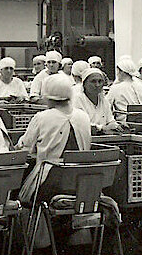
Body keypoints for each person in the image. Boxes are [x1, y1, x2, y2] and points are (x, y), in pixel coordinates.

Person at [16, 73, 92, 205]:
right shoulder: (83, 116)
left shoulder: (42, 117)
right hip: (82, 182)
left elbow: (26, 148)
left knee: (18, 194)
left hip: (50, 183)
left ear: (48, 95)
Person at [74, 67, 118, 134]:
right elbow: (81, 125)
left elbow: (110, 120)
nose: (97, 85)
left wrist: (116, 126)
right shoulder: (77, 100)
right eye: (93, 81)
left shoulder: (104, 101)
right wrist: (101, 128)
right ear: (84, 84)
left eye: (100, 81)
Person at [106, 56, 142, 120]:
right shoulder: (141, 86)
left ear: (122, 71)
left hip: (124, 123)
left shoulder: (115, 88)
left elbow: (106, 107)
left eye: (118, 71)